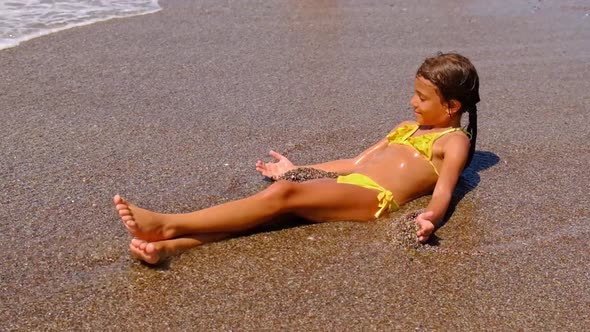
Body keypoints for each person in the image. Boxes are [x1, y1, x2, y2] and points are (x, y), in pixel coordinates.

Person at [114, 52, 480, 264]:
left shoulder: (453, 141)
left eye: (422, 98)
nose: (412, 102)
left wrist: (430, 218)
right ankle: (171, 248)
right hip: (350, 185)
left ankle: (168, 224)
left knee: (282, 196)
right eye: (413, 94)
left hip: (375, 200)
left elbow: (444, 191)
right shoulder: (405, 127)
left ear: (451, 106)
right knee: (276, 212)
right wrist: (302, 170)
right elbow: (355, 162)